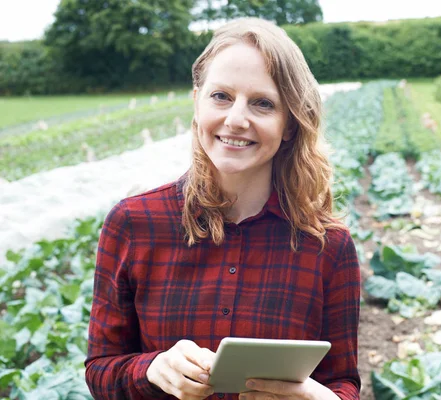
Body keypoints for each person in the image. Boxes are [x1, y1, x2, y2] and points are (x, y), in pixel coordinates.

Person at [84, 18, 361, 400]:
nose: (236, 119)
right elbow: (100, 369)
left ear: (291, 125)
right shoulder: (133, 223)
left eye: (263, 103)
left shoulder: (328, 245)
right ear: (196, 101)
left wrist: (322, 398)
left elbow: (342, 380)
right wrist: (151, 369)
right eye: (221, 96)